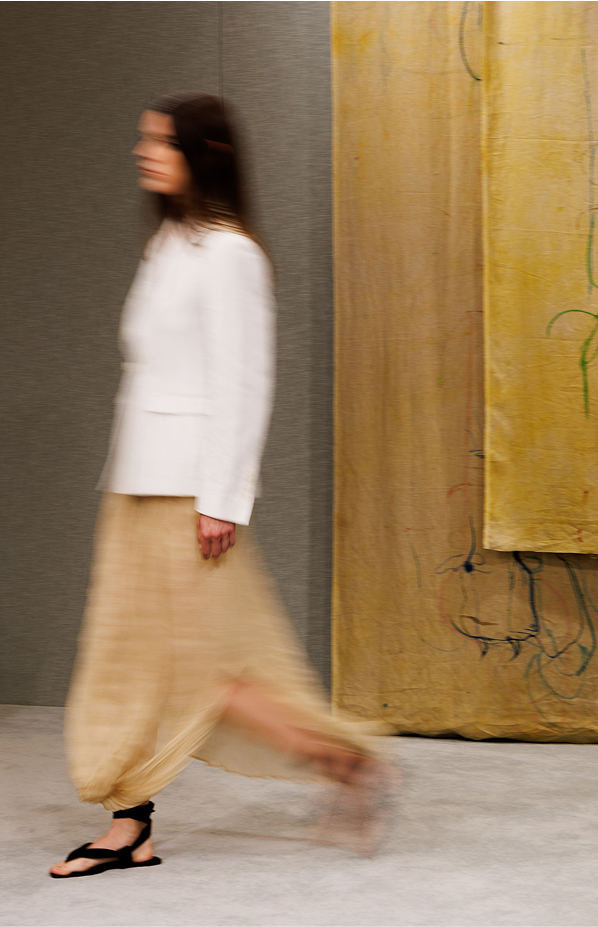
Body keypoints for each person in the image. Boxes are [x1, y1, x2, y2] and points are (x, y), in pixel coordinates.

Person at [49, 91, 393, 879]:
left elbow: (244, 381)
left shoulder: (231, 253)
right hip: (137, 481)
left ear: (205, 154)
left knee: (205, 666)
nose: (143, 152)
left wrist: (222, 499)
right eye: (144, 139)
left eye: (160, 142)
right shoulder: (171, 241)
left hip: (187, 492)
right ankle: (131, 821)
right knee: (129, 654)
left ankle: (345, 764)